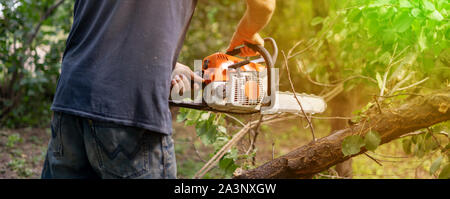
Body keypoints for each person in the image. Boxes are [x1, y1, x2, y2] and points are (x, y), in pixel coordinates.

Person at [41, 0, 276, 179]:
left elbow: (106, 31)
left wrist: (166, 67)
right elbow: (263, 4)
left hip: (70, 100)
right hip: (130, 112)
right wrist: (244, 36)